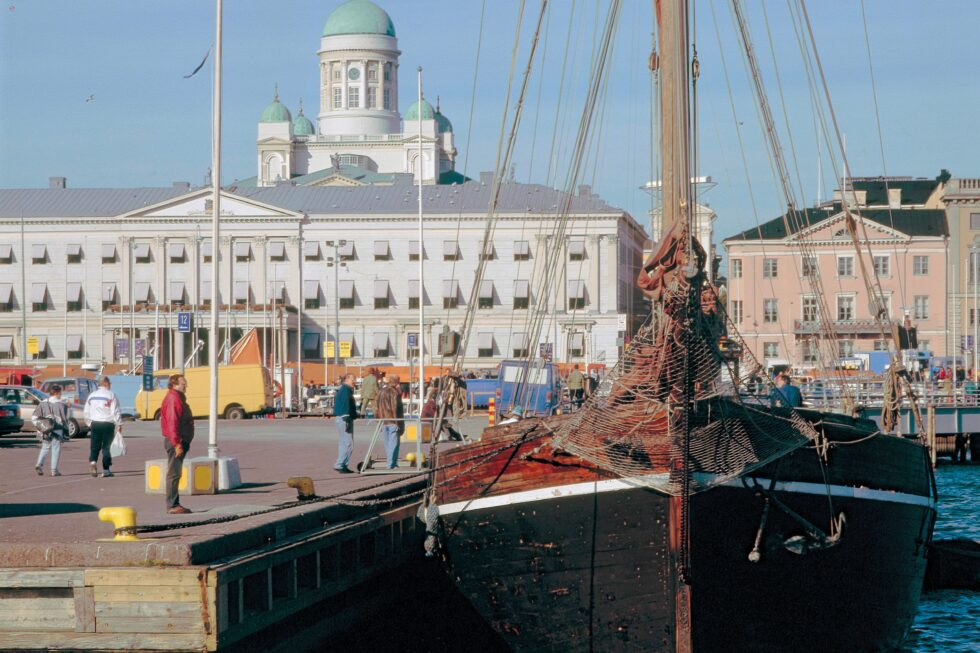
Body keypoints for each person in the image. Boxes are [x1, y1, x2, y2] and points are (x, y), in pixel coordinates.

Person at [160, 374, 194, 514]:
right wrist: (177, 444)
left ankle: (174, 503)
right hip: (176, 441)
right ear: (174, 385)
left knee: (176, 473)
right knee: (174, 473)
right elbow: (172, 422)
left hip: (179, 440)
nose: (185, 386)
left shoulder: (177, 397)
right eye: (183, 384)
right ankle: (172, 505)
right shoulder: (174, 399)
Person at [84, 376, 121, 477]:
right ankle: (106, 469)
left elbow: (86, 411)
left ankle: (93, 462)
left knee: (94, 446)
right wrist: (119, 423)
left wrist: (89, 423)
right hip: (108, 424)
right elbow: (116, 411)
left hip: (95, 423)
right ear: (106, 383)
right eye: (109, 383)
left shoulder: (92, 395)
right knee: (107, 447)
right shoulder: (111, 395)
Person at [32, 384, 70, 476]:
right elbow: (65, 418)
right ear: (57, 393)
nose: (61, 395)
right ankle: (54, 470)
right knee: (56, 448)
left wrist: (40, 427)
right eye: (60, 393)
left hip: (45, 429)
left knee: (45, 447)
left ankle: (39, 464)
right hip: (57, 429)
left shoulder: (43, 403)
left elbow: (34, 417)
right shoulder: (61, 404)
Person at [376, 373, 404, 469]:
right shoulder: (394, 393)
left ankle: (392, 462)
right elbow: (396, 408)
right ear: (397, 382)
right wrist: (398, 422)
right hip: (393, 420)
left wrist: (378, 420)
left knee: (388, 444)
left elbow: (377, 407)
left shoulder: (381, 391)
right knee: (394, 443)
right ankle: (390, 464)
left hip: (384, 420)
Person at [333, 374, 358, 473]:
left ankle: (343, 465)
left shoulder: (346, 390)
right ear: (347, 380)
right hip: (344, 419)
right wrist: (347, 418)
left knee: (343, 443)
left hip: (343, 418)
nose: (355, 381)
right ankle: (340, 464)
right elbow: (345, 405)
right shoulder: (345, 390)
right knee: (348, 443)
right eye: (353, 379)